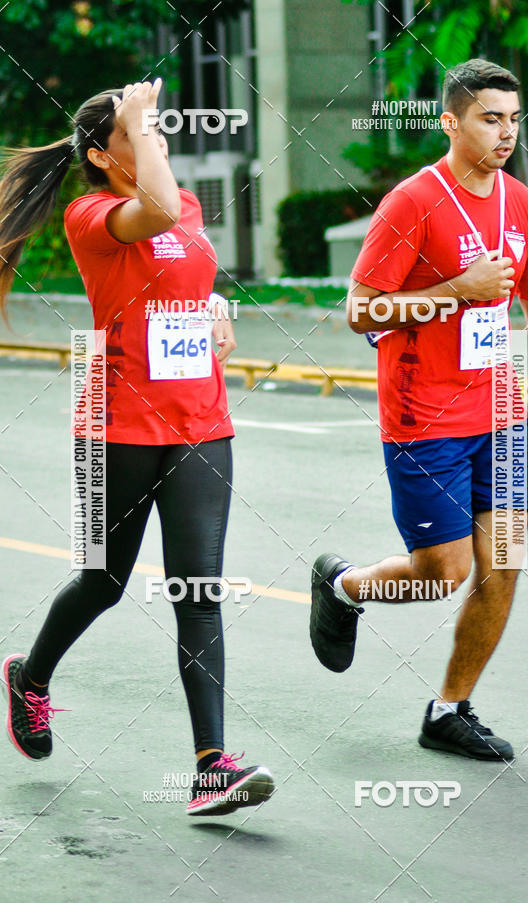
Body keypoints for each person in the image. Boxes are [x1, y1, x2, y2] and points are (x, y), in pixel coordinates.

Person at [0, 80, 274, 815]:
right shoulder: (92, 216)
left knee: (197, 590)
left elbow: (184, 270)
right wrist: (136, 116)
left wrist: (214, 306)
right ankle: (29, 678)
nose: (158, 139)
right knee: (103, 581)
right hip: (112, 428)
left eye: (156, 128)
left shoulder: (181, 203)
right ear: (102, 154)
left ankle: (211, 765)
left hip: (200, 424)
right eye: (139, 132)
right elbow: (148, 217)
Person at [310, 59, 528, 760]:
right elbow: (360, 309)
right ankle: (343, 586)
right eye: (491, 118)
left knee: (507, 559)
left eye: (514, 119)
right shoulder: (412, 203)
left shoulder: (527, 208)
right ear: (451, 121)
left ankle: (449, 709)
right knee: (443, 571)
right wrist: (457, 288)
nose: (506, 133)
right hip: (423, 413)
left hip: (502, 411)